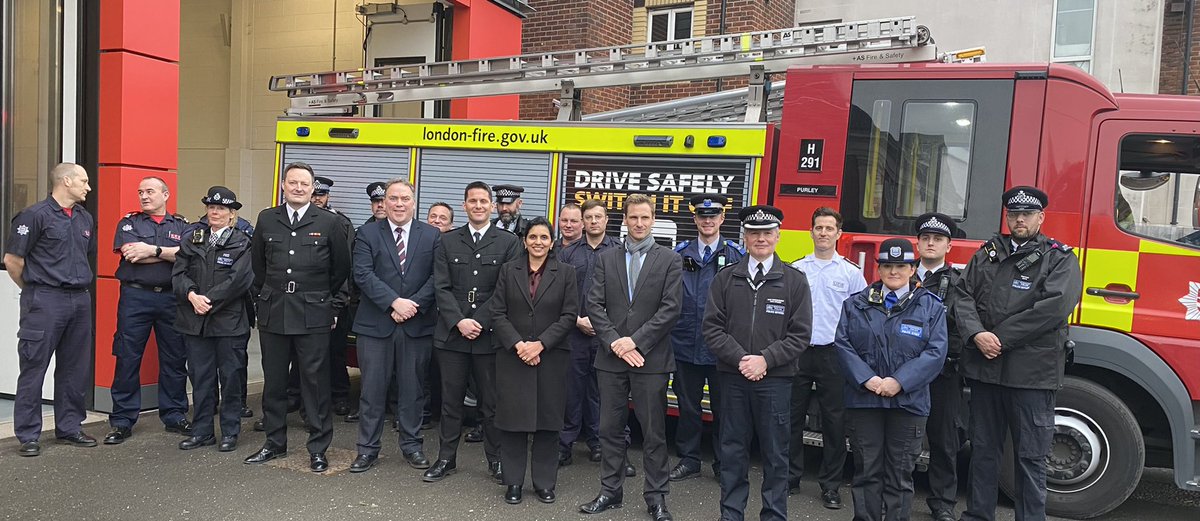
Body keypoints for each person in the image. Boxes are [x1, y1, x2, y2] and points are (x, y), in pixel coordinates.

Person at [955, 186, 1082, 521]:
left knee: (1030, 457)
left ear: (1041, 217)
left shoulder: (1060, 258)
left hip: (1030, 376)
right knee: (982, 451)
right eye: (1014, 214)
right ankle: (978, 516)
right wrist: (977, 334)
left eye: (1027, 214)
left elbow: (1053, 309)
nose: (1020, 220)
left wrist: (998, 337)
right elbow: (962, 295)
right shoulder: (987, 253)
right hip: (985, 370)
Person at [704, 205, 811, 521]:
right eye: (754, 233)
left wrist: (766, 360)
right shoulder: (726, 279)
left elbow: (800, 334)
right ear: (745, 237)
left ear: (778, 236)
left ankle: (774, 515)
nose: (760, 238)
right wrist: (742, 360)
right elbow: (711, 327)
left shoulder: (794, 281)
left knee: (776, 455)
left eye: (767, 233)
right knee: (732, 451)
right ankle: (731, 514)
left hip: (775, 381)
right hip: (734, 378)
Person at [579, 194, 682, 521]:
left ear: (653, 220)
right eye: (633, 218)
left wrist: (634, 342)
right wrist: (615, 342)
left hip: (650, 360)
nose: (639, 223)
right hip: (610, 359)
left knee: (653, 433)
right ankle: (610, 491)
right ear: (624, 220)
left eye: (645, 218)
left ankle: (657, 498)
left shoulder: (669, 260)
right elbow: (593, 305)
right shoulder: (606, 259)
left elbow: (671, 309)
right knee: (610, 429)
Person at [245, 162, 352, 473]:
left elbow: (341, 269)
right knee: (275, 382)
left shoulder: (330, 222)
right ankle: (274, 443)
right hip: (275, 310)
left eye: (305, 184)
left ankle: (318, 448)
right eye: (293, 182)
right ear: (283, 185)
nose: (299, 188)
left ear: (312, 187)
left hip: (313, 312)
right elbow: (258, 266)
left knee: (315, 384)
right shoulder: (267, 218)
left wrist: (324, 302)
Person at [834, 238, 948, 521]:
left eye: (900, 266)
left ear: (913, 269)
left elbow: (936, 352)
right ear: (879, 269)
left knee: (900, 475)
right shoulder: (856, 304)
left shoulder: (930, 307)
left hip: (909, 402)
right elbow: (843, 345)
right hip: (865, 400)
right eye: (887, 266)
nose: (893, 272)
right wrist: (868, 380)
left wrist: (899, 382)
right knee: (866, 472)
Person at [423, 181, 523, 484]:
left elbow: (505, 290)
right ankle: (445, 459)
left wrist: (478, 320)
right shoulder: (447, 241)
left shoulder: (507, 242)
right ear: (464, 205)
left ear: (492, 207)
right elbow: (440, 285)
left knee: (491, 404)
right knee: (450, 402)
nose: (478, 206)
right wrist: (459, 321)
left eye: (483, 201)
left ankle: (496, 461)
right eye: (473, 201)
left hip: (488, 336)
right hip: (453, 336)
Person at [4, 163, 97, 457]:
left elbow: (87, 256)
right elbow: (13, 261)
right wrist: (33, 289)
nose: (88, 187)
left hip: (80, 300)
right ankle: (29, 435)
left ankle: (69, 428)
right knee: (34, 366)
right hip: (45, 299)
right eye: (83, 181)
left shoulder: (84, 218)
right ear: (66, 181)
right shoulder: (34, 216)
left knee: (75, 368)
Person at [349, 178, 440, 473]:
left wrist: (412, 305)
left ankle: (412, 446)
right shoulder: (367, 233)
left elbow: (438, 278)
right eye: (393, 199)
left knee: (412, 391)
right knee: (372, 391)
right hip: (376, 325)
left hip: (417, 324)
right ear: (384, 203)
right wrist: (394, 303)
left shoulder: (432, 235)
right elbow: (362, 274)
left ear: (414, 202)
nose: (399, 204)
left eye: (404, 199)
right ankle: (367, 450)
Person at [491, 217, 580, 505]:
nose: (538, 242)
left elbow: (569, 315)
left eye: (544, 237)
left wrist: (540, 344)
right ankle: (514, 482)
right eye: (533, 237)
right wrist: (519, 345)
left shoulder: (566, 273)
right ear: (524, 241)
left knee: (547, 423)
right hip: (513, 356)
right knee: (512, 422)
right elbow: (497, 312)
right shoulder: (508, 270)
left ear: (552, 242)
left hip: (551, 357)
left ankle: (544, 483)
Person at [104, 176, 192, 445]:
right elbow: (131, 254)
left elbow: (188, 255)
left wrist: (150, 250)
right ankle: (122, 420)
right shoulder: (129, 222)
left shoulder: (181, 225)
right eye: (140, 191)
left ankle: (175, 414)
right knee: (128, 357)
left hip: (171, 299)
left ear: (166, 195)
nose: (144, 196)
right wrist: (168, 252)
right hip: (136, 297)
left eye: (150, 191)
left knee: (175, 358)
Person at [789, 206, 867, 508]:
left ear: (839, 233)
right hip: (798, 352)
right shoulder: (797, 270)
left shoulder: (851, 273)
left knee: (835, 423)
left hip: (834, 355)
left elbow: (860, 318)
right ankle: (790, 477)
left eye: (829, 228)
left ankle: (831, 486)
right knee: (791, 418)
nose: (823, 233)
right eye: (818, 227)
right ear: (811, 232)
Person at [668, 194, 744, 482]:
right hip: (686, 343)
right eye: (702, 215)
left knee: (726, 409)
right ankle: (689, 459)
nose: (708, 220)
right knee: (687, 406)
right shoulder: (680, 253)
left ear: (722, 219)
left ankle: (723, 463)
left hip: (723, 348)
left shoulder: (737, 255)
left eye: (713, 216)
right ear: (695, 219)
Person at [173, 186, 254, 452]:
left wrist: (209, 300)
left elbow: (239, 281)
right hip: (195, 321)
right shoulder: (193, 239)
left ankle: (230, 432)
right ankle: (202, 431)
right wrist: (192, 295)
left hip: (228, 322)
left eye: (221, 209)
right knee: (201, 379)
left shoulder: (242, 242)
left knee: (230, 379)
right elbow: (179, 273)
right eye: (211, 207)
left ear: (232, 215)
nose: (215, 212)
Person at [557, 199, 621, 467]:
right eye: (589, 218)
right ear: (583, 222)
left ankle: (598, 442)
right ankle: (564, 444)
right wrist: (576, 319)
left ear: (606, 221)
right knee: (571, 390)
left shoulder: (619, 251)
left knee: (604, 392)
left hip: (608, 336)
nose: (594, 222)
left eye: (599, 217)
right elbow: (558, 291)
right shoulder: (568, 253)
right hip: (575, 332)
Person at [913, 212, 967, 521]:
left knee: (944, 441)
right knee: (900, 440)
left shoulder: (958, 284)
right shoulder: (901, 276)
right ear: (918, 242)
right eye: (926, 238)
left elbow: (961, 328)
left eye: (938, 239)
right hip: (904, 375)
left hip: (943, 374)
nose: (931, 243)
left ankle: (943, 503)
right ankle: (892, 496)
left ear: (948, 245)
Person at [311, 175, 354, 417]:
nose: (318, 198)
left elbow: (344, 267)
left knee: (336, 353)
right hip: (305, 301)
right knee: (303, 356)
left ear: (328, 197)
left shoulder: (340, 223)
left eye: (322, 195)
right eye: (314, 194)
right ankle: (297, 396)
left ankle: (340, 396)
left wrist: (337, 305)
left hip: (334, 300)